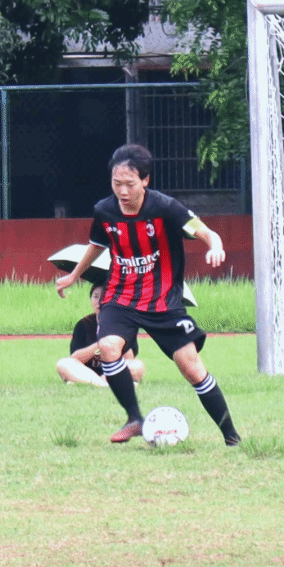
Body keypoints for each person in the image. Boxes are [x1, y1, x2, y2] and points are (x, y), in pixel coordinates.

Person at [55, 143, 240, 446]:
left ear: (145, 180)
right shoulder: (104, 211)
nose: (122, 191)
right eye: (116, 183)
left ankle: (231, 437)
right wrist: (74, 275)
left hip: (163, 301)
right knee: (109, 345)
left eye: (129, 183)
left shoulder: (166, 207)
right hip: (120, 296)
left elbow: (204, 231)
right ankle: (134, 419)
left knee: (192, 367)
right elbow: (97, 244)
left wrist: (215, 245)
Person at [57, 284, 145, 387]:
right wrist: (100, 344)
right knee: (63, 364)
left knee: (138, 366)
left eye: (105, 297)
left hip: (114, 371)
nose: (99, 301)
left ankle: (93, 382)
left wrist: (118, 336)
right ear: (91, 300)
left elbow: (130, 358)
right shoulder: (83, 324)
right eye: (95, 296)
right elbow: (74, 358)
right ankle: (102, 383)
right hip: (86, 371)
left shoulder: (124, 324)